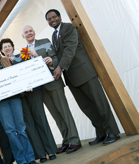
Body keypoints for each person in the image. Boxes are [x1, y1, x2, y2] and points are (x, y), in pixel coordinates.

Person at [45, 9, 120, 145]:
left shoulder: (68, 28)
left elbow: (70, 49)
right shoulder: (54, 36)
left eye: (54, 17)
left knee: (100, 103)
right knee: (87, 107)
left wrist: (60, 67)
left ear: (60, 17)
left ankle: (113, 131)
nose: (52, 20)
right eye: (49, 19)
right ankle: (101, 133)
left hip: (84, 73)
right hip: (72, 78)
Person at [20, 26, 82, 154]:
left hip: (53, 81)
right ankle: (66, 140)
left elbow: (55, 58)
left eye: (31, 30)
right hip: (40, 88)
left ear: (34, 32)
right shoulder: (23, 52)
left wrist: (48, 61)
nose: (29, 33)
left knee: (64, 111)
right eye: (26, 32)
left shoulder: (45, 42)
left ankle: (75, 140)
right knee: (56, 115)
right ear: (23, 36)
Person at [0, 37, 40, 164]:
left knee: (21, 129)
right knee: (10, 132)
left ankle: (30, 159)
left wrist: (26, 86)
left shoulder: (7, 60)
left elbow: (16, 77)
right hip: (0, 102)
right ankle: (22, 161)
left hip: (14, 98)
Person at [0, 38, 57, 163]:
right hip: (19, 98)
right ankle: (40, 154)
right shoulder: (1, 64)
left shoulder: (23, 56)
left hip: (34, 92)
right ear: (1, 51)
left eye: (9, 46)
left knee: (40, 119)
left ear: (13, 47)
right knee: (28, 124)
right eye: (5, 47)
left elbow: (33, 68)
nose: (7, 48)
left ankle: (51, 150)